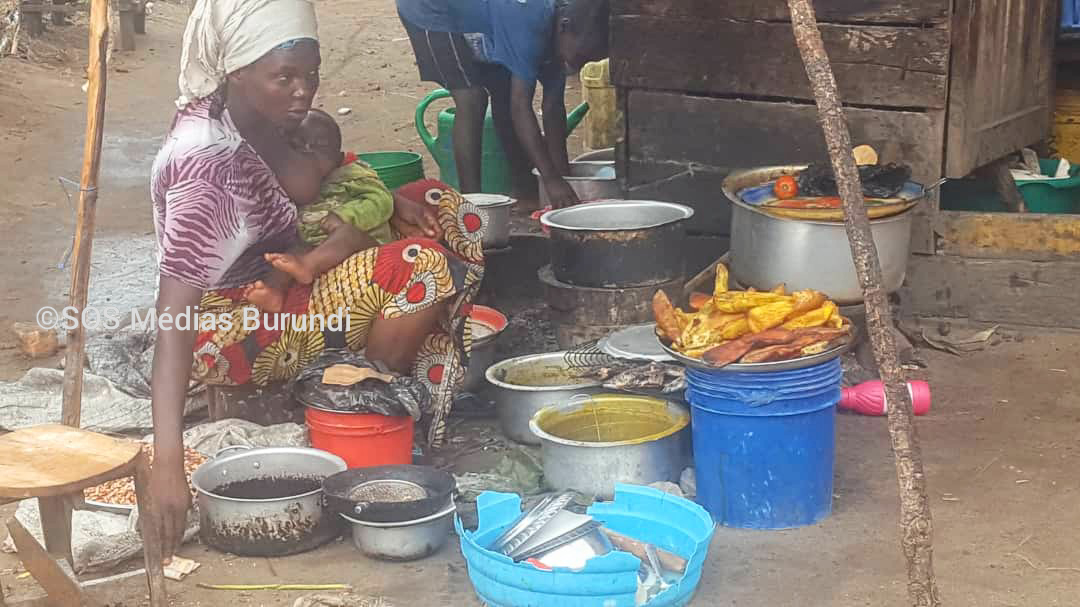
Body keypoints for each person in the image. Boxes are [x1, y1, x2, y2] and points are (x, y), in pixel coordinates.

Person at [149, 0, 486, 560]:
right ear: (237, 68)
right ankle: (357, 406)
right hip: (236, 324)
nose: (303, 90)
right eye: (285, 77)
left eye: (311, 74)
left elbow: (323, 173)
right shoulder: (205, 163)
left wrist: (381, 201)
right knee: (422, 267)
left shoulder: (259, 115)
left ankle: (373, 395)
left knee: (443, 206)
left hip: (285, 278)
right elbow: (173, 317)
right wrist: (167, 464)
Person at [395, 0, 610, 208]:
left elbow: (553, 108)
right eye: (581, 56)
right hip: (429, 9)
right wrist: (552, 181)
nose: (580, 64)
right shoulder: (529, 24)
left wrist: (564, 177)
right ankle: (472, 204)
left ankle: (526, 192)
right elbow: (520, 108)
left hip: (484, 17)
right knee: (472, 99)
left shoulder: (561, 32)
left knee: (504, 93)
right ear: (564, 27)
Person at [245, 108, 396, 313]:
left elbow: (382, 200)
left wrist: (345, 216)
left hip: (365, 246)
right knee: (286, 256)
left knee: (346, 234)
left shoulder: (351, 173)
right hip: (316, 249)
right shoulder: (293, 181)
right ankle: (273, 293)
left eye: (319, 147)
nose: (309, 153)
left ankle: (308, 266)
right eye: (297, 147)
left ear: (338, 155)